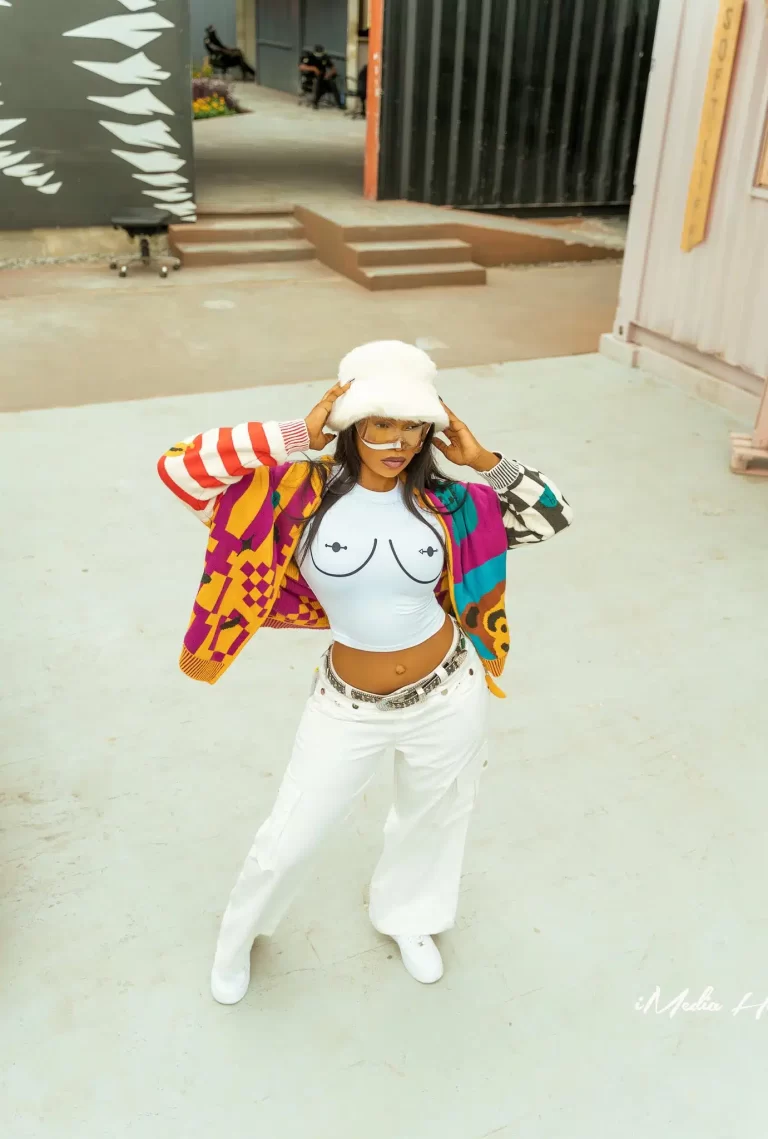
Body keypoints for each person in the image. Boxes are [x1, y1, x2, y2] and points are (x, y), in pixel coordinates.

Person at [157, 341, 573, 1005]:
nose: (397, 442)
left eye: (413, 426)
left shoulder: (451, 502)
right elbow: (181, 469)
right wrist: (295, 435)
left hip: (449, 693)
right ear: (351, 423)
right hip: (347, 705)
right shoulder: (290, 494)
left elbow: (551, 515)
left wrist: (484, 462)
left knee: (434, 817)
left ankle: (409, 917)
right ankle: (239, 938)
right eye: (381, 422)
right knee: (290, 835)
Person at [309, 43, 342, 109]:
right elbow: (302, 67)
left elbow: (333, 69)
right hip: (311, 76)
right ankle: (315, 103)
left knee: (332, 84)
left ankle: (340, 104)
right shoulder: (310, 57)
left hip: (323, 76)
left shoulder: (325, 58)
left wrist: (328, 74)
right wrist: (314, 69)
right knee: (319, 83)